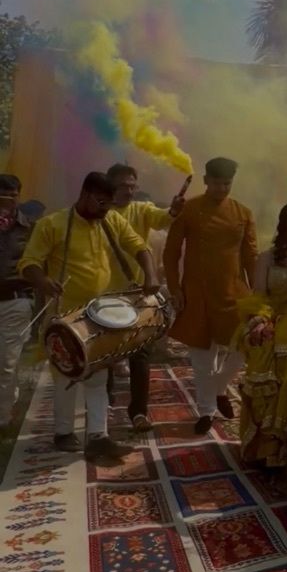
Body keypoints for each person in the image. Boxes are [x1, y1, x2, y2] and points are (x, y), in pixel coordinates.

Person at [18, 172, 158, 458]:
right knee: (66, 375)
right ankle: (63, 433)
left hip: (99, 314)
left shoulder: (110, 219)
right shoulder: (52, 224)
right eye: (102, 203)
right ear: (85, 195)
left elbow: (140, 247)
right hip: (64, 315)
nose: (107, 209)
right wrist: (43, 282)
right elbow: (29, 262)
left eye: (109, 204)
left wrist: (151, 275)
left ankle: (98, 436)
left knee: (97, 375)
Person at [164, 157, 257, 435]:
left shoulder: (243, 213)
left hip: (234, 293)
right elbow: (171, 253)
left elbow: (251, 257)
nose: (222, 188)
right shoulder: (189, 210)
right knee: (203, 357)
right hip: (197, 293)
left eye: (227, 183)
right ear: (206, 181)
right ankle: (206, 410)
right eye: (217, 183)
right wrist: (174, 289)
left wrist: (259, 296)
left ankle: (219, 388)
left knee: (244, 346)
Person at [234, 203, 287, 467]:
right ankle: (270, 447)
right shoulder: (267, 258)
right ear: (284, 227)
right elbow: (260, 295)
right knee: (262, 345)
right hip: (272, 318)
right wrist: (262, 320)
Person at [104, 162, 186, 431]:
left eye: (132, 185)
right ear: (109, 187)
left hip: (139, 292)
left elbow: (164, 217)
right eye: (122, 186)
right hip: (105, 294)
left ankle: (138, 412)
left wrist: (174, 209)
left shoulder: (141, 210)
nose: (128, 190)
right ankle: (103, 402)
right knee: (105, 352)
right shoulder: (98, 214)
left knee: (141, 353)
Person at [0, 176, 35, 434]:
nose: (9, 198)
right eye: (4, 193)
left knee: (7, 362)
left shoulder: (29, 229)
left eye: (13, 194)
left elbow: (36, 264)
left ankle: (2, 418)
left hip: (15, 301)